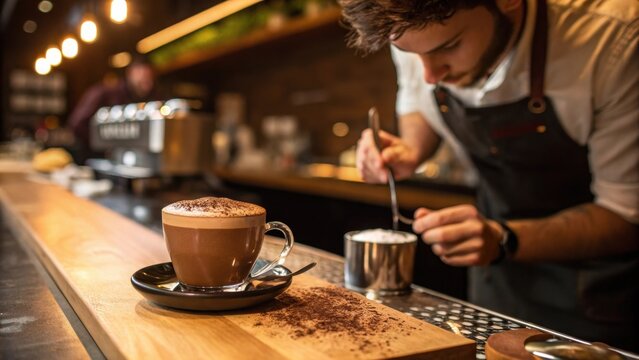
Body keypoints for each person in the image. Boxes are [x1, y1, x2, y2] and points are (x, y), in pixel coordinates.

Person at [340, 0, 639, 350]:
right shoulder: (413, 28)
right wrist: (410, 150)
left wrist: (502, 239)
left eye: (449, 46)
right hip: (494, 284)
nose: (431, 75)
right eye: (407, 53)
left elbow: (626, 215)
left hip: (594, 300)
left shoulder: (615, 41)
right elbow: (420, 103)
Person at [68, 57, 160, 163]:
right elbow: (76, 124)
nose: (146, 81)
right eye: (142, 75)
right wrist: (102, 146)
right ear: (130, 73)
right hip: (93, 162)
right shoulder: (105, 93)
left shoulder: (147, 101)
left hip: (124, 163)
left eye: (149, 77)